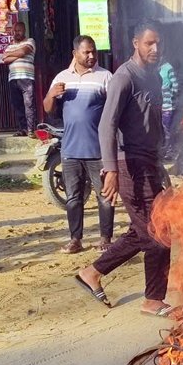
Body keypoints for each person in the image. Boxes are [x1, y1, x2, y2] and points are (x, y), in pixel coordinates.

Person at [75, 20, 176, 318]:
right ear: (136, 43)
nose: (155, 49)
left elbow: (154, 126)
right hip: (127, 163)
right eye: (149, 43)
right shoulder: (124, 77)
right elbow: (107, 124)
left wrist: (161, 169)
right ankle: (151, 299)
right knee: (157, 232)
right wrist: (111, 169)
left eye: (158, 43)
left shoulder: (154, 78)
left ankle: (93, 272)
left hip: (150, 163)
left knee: (146, 229)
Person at [43, 35, 115, 254]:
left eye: (93, 51)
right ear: (75, 54)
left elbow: (114, 111)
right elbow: (47, 108)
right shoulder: (62, 78)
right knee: (73, 198)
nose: (92, 55)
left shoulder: (105, 77)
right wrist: (51, 95)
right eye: (87, 52)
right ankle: (75, 239)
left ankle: (106, 239)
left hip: (97, 150)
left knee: (105, 197)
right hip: (70, 150)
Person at [1, 21, 36, 135]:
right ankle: (23, 129)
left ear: (24, 31)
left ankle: (31, 129)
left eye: (19, 30)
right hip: (13, 78)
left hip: (26, 77)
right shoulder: (10, 46)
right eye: (15, 31)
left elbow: (22, 51)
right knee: (18, 105)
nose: (17, 33)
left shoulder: (30, 41)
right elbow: (5, 60)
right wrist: (16, 55)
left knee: (28, 104)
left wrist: (10, 54)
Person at [158, 59, 179, 156]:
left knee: (168, 130)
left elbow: (175, 86)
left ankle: (170, 151)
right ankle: (165, 151)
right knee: (161, 130)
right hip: (158, 107)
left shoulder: (168, 68)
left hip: (168, 107)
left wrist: (171, 97)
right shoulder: (153, 67)